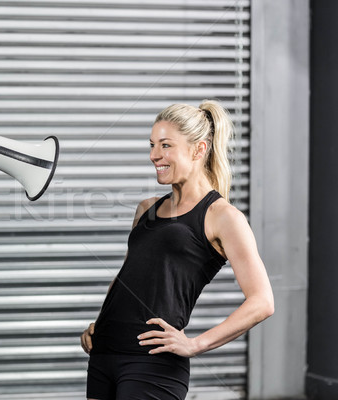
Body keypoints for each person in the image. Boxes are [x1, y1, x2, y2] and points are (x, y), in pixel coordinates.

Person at [80, 100, 274, 400]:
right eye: (152, 145)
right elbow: (129, 275)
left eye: (166, 145)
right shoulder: (148, 208)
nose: (154, 155)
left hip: (152, 364)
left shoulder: (223, 217)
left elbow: (262, 301)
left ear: (199, 150)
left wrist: (195, 344)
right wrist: (101, 321)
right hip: (104, 352)